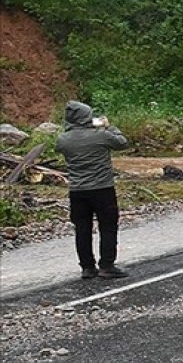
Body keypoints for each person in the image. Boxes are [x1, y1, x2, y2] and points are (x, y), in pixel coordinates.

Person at [55, 101, 130, 279]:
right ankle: (107, 265)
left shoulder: (63, 140)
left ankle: (87, 267)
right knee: (108, 226)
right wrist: (109, 126)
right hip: (102, 188)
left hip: (77, 190)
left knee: (82, 229)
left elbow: (61, 147)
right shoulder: (101, 135)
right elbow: (122, 143)